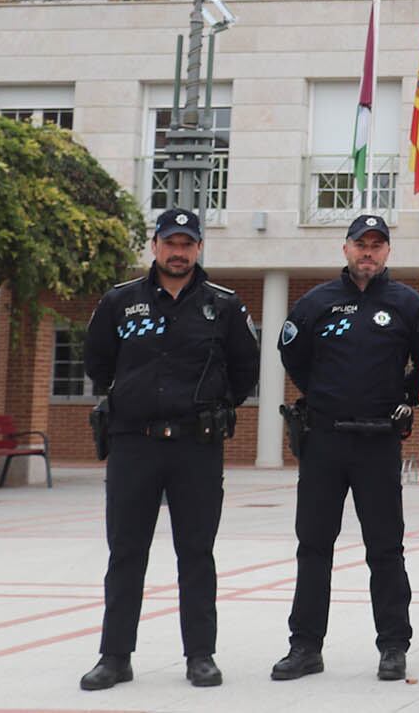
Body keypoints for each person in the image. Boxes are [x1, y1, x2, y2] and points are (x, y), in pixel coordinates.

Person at [79, 209, 258, 692]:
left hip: (196, 447)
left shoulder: (223, 305)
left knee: (196, 553)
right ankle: (115, 657)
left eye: (188, 244)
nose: (179, 252)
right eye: (170, 242)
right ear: (155, 246)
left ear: (199, 249)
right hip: (133, 444)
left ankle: (200, 655)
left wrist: (213, 407)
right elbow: (97, 360)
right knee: (126, 553)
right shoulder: (120, 301)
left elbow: (245, 370)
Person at [272, 214, 419, 683]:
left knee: (385, 548)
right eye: (360, 244)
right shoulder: (315, 302)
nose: (368, 252)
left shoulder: (408, 305)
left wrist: (407, 398)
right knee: (314, 546)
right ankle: (304, 647)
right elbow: (293, 356)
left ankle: (393, 647)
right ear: (345, 249)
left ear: (387, 252)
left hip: (378, 442)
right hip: (324, 440)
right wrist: (324, 394)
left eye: (377, 245)